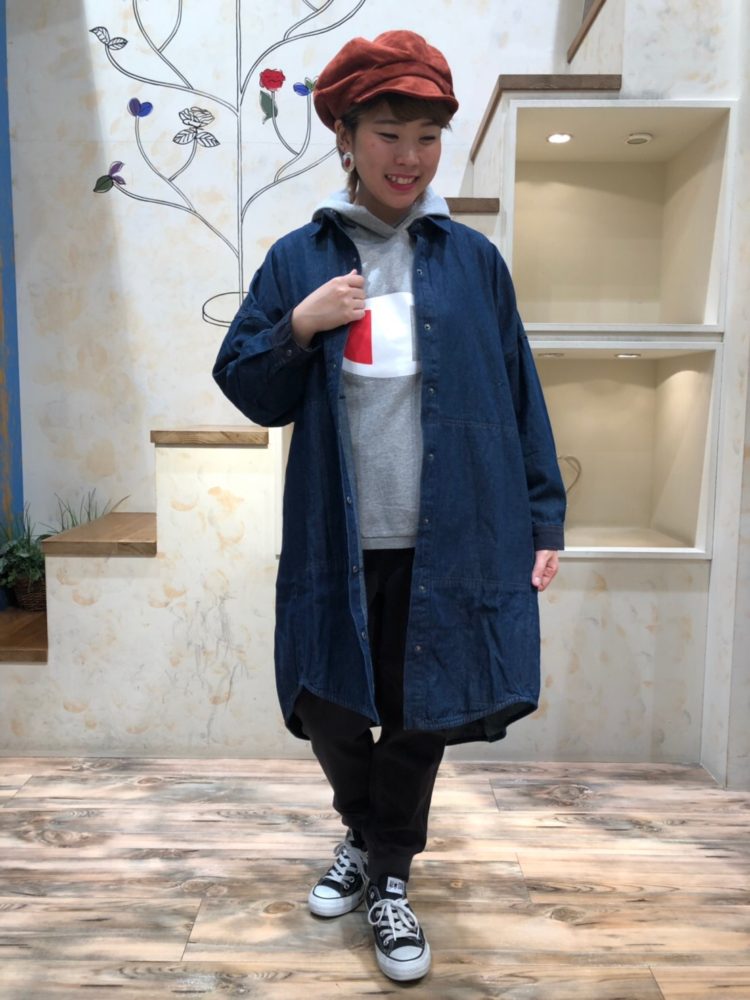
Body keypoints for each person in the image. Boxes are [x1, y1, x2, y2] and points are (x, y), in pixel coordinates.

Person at [213, 29, 565, 984]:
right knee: (327, 701)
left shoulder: (473, 262)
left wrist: (544, 517)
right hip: (336, 534)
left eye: (427, 137)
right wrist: (298, 325)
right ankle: (366, 837)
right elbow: (247, 386)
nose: (408, 157)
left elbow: (520, 393)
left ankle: (390, 875)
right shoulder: (298, 258)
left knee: (419, 713)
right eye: (388, 134)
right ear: (346, 137)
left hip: (451, 536)